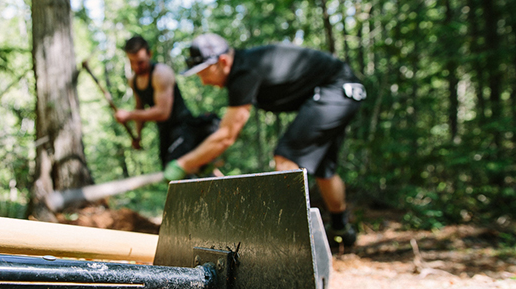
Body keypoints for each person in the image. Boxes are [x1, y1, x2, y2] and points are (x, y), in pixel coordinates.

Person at [171, 33, 365, 247]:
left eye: (204, 73)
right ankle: (342, 230)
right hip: (341, 89)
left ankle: (291, 243)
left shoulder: (243, 72)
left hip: (337, 88)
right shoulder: (245, 65)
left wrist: (182, 165)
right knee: (324, 169)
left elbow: (226, 135)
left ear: (223, 62)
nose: (204, 81)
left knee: (286, 157)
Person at [115, 35, 219, 171]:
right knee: (170, 171)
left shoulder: (161, 74)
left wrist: (129, 115)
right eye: (132, 62)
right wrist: (138, 135)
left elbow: (163, 113)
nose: (136, 67)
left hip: (183, 127)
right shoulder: (133, 81)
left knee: (178, 169)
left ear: (149, 54)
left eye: (140, 62)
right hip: (164, 131)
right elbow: (139, 107)